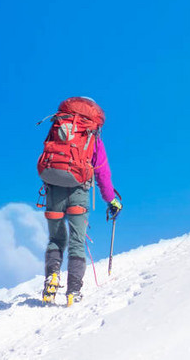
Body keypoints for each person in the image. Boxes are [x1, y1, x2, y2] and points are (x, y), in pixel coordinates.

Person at [36, 97, 122, 306]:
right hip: (79, 191)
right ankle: (74, 291)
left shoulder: (58, 129)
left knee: (56, 238)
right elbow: (102, 173)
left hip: (53, 188)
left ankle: (51, 279)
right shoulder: (92, 137)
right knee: (77, 240)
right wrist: (111, 200)